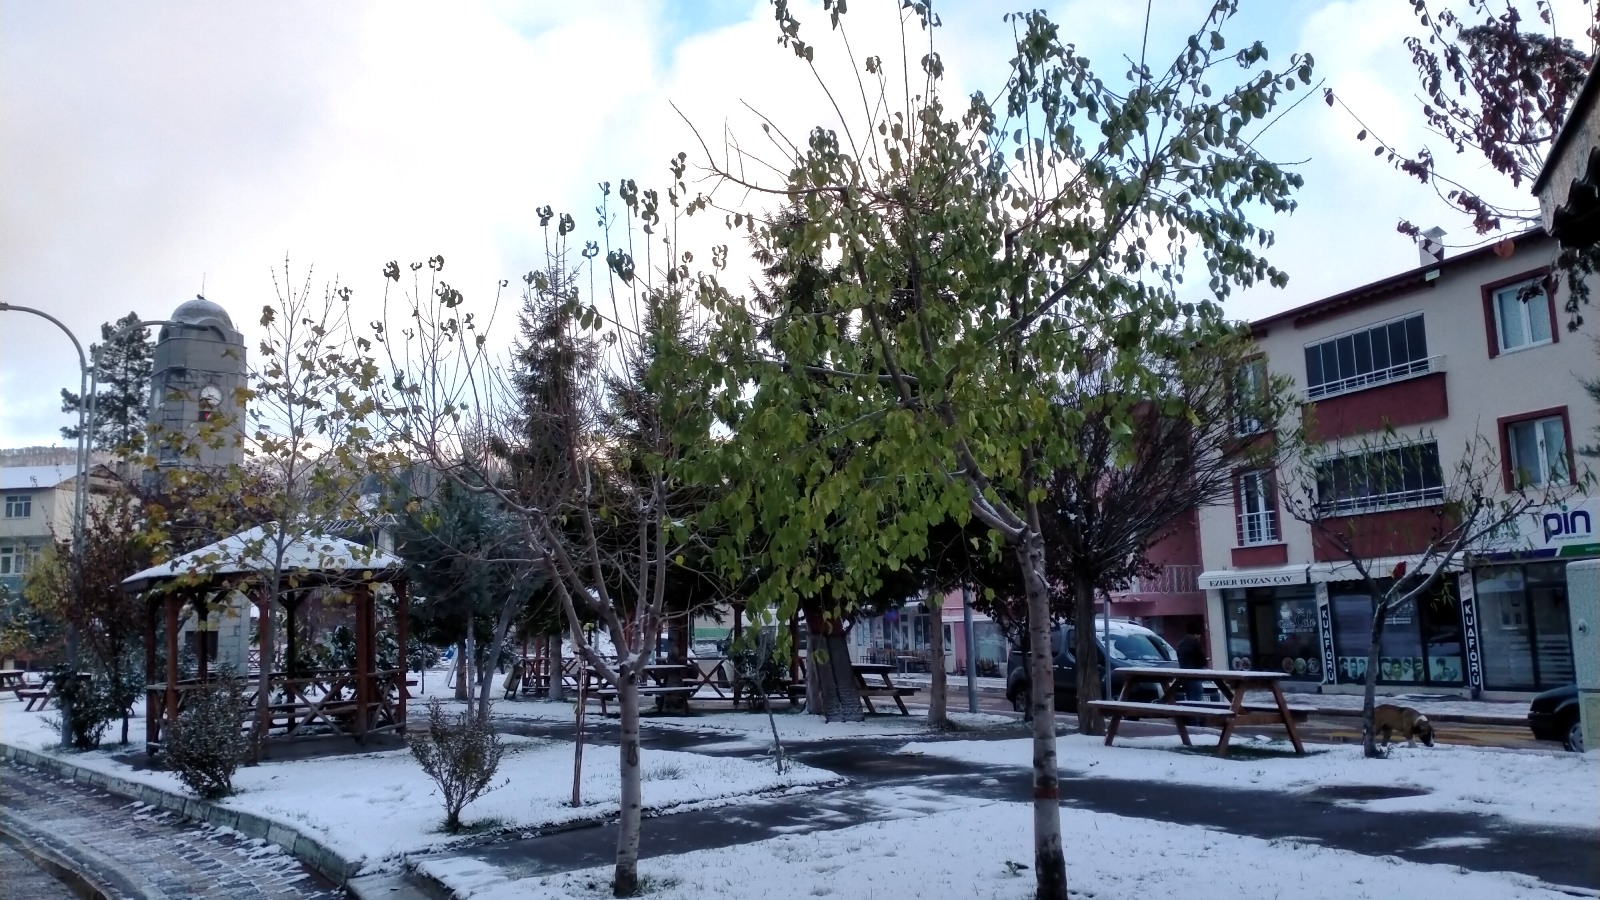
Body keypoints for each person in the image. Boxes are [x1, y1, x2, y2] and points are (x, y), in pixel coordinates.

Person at [1175, 620, 1208, 703]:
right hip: (1194, 675)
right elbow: (1202, 661)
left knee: (1189, 699)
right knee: (1197, 701)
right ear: (1196, 634)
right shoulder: (1194, 644)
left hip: (1184, 676)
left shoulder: (1180, 644)